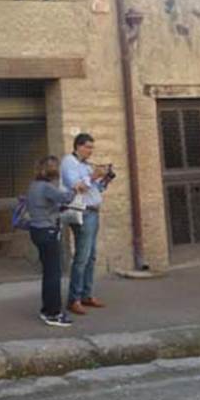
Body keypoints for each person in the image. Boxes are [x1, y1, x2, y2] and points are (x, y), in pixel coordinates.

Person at [61, 133, 114, 316]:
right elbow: (77, 187)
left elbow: (95, 189)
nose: (91, 151)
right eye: (88, 147)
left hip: (93, 212)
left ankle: (87, 295)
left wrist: (104, 179)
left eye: (92, 147)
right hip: (82, 213)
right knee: (82, 257)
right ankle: (73, 299)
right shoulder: (69, 162)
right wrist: (93, 176)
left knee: (91, 256)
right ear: (78, 146)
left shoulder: (85, 165)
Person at [27, 155, 71, 327]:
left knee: (48, 272)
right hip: (48, 231)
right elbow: (66, 197)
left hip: (37, 230)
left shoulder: (34, 186)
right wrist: (77, 188)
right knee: (54, 274)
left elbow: (45, 205)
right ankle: (53, 313)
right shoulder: (46, 187)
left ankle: (47, 309)